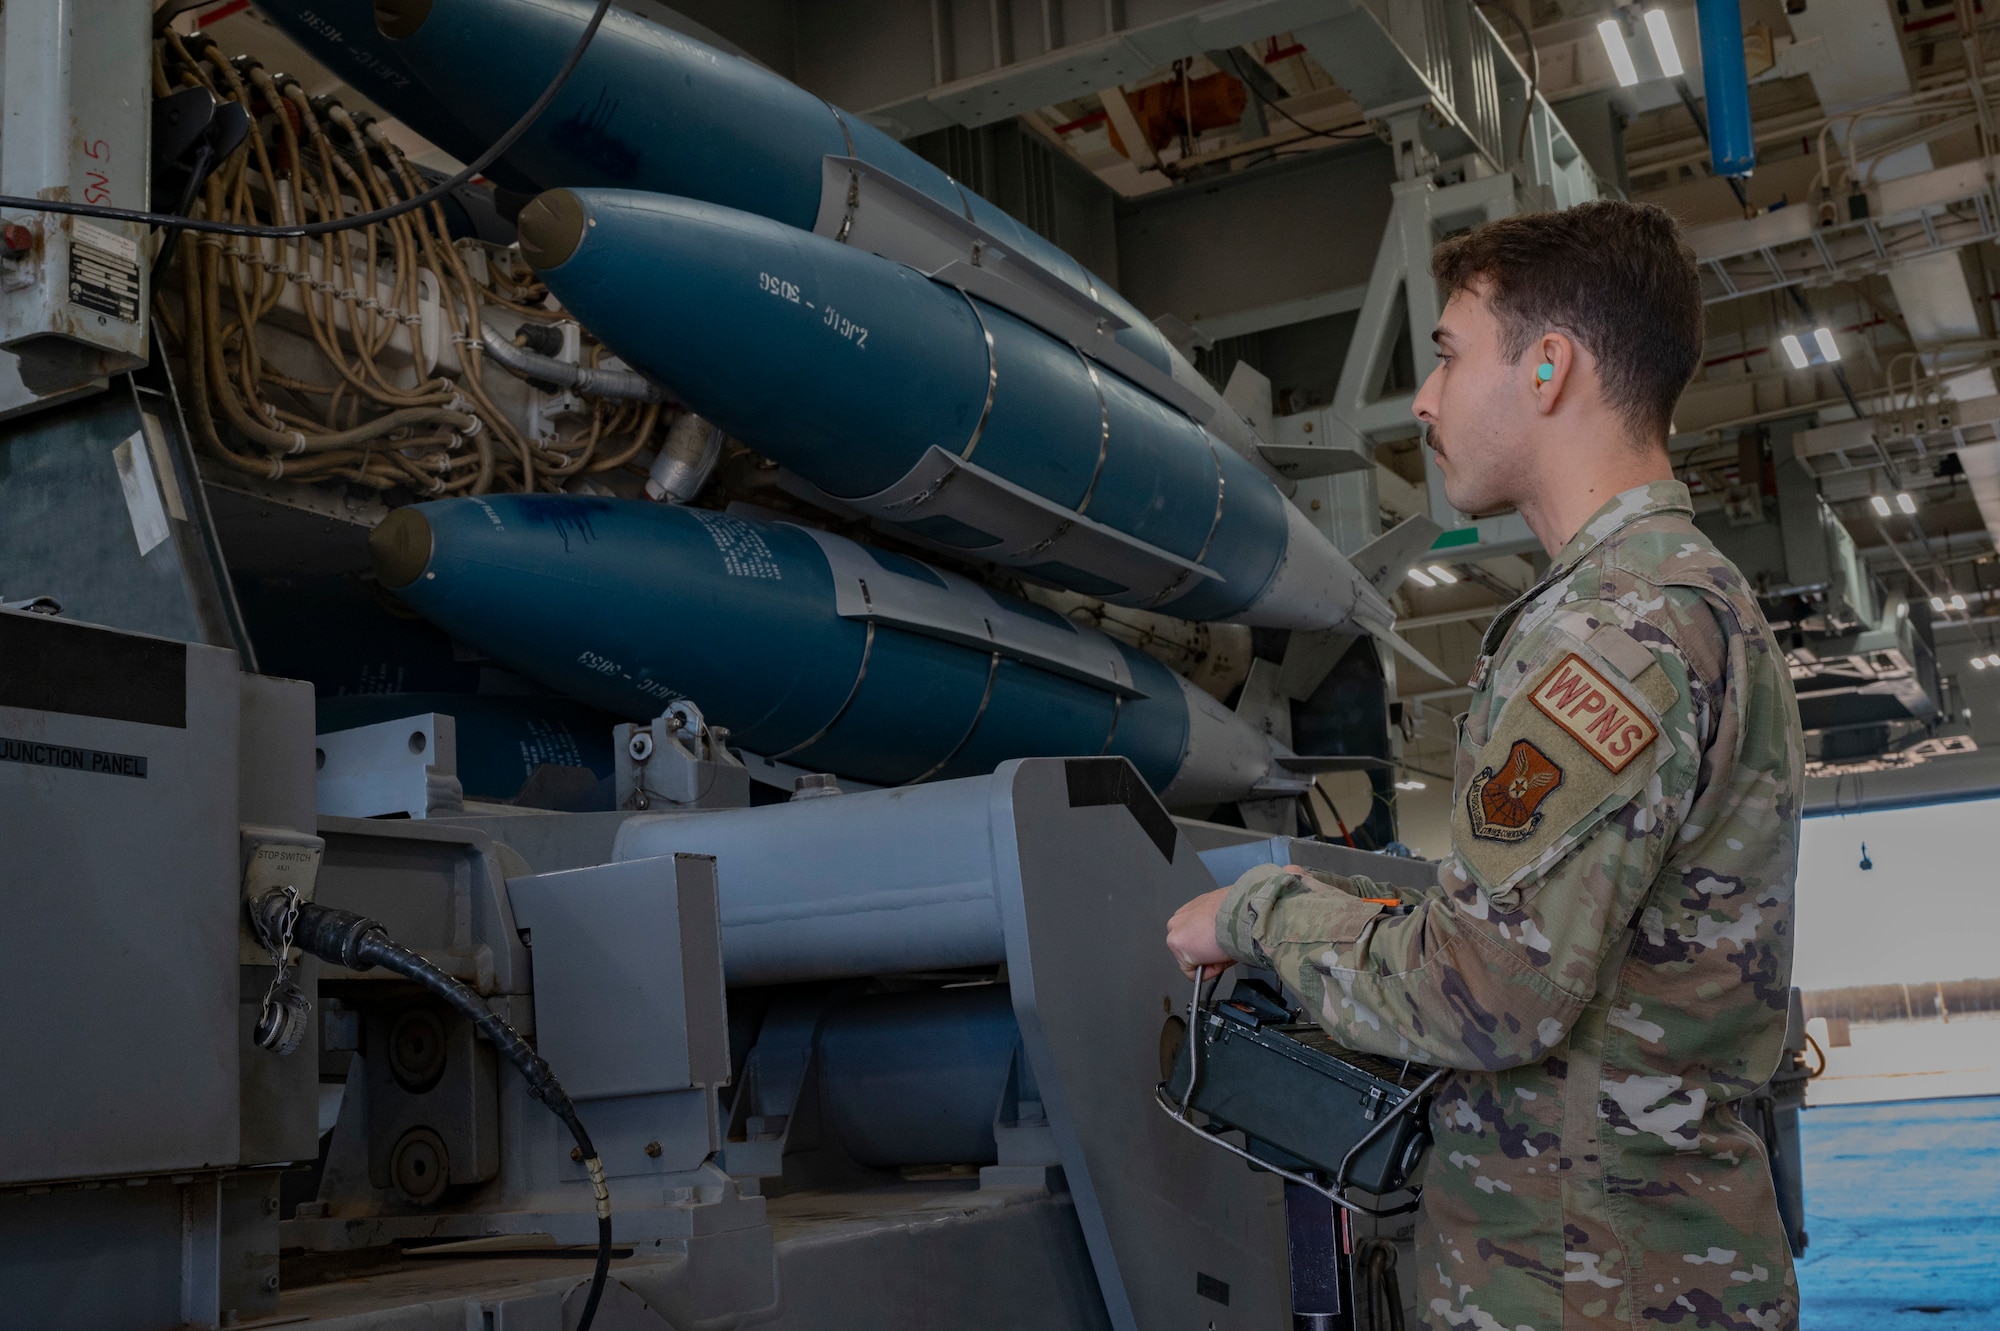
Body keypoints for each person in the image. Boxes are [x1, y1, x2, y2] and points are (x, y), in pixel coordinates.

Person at [1166, 200, 1803, 1331]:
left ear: (1547, 368)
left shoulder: (1613, 629)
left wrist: (1261, 913)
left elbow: (1490, 990)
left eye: (1451, 354)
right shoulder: (1694, 600)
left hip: (1581, 1284)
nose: (1422, 397)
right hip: (1650, 1263)